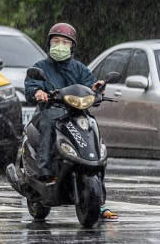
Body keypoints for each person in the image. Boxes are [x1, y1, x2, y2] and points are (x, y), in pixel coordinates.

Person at [23, 22, 118, 221]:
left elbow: (89, 85)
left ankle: (99, 198)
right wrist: (39, 92)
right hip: (49, 112)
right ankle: (45, 170)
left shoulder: (78, 68)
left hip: (75, 114)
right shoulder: (41, 67)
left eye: (65, 42)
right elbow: (32, 85)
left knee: (91, 126)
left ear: (72, 47)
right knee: (49, 124)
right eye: (56, 41)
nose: (60, 45)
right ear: (49, 44)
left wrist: (97, 88)